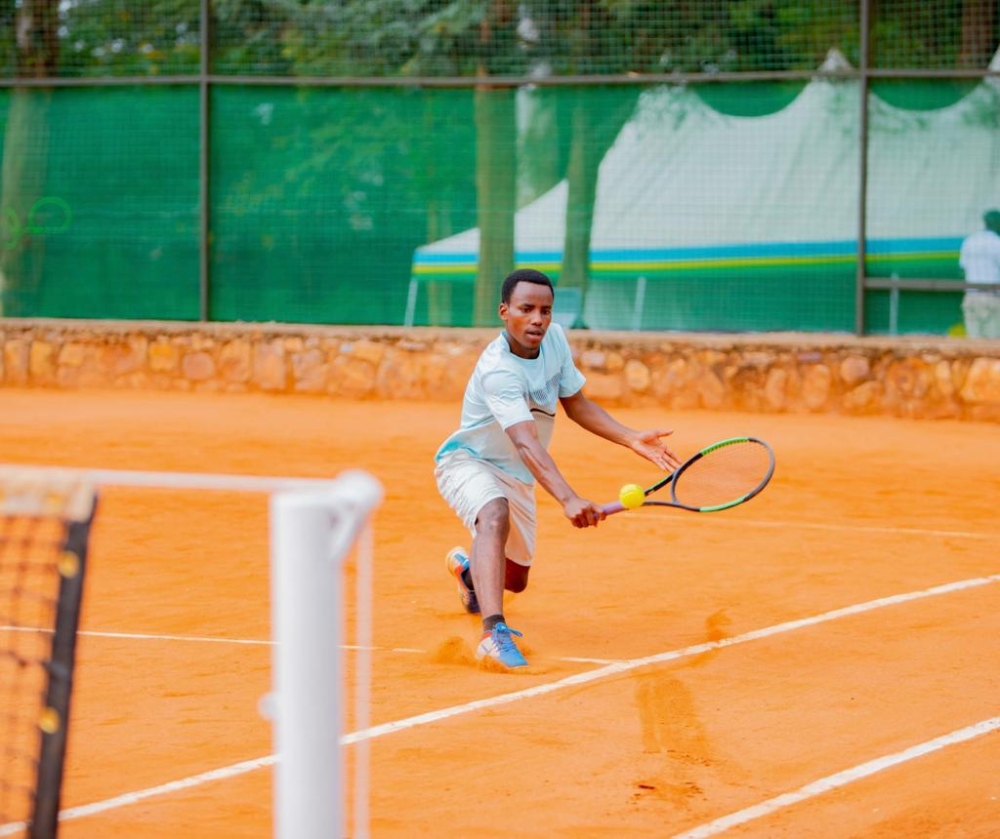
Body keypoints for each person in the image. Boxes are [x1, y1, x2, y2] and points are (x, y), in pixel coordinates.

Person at [434, 268, 681, 669]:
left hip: (518, 474)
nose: (537, 319)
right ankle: (493, 634)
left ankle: (469, 574)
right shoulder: (499, 371)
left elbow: (577, 404)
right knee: (492, 515)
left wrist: (630, 437)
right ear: (504, 311)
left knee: (516, 580)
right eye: (526, 309)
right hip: (469, 462)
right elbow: (526, 442)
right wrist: (568, 499)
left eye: (545, 311)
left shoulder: (555, 340)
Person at [959, 209, 1000, 339]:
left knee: (973, 342)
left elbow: (962, 269)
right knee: (992, 342)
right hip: (992, 296)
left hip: (971, 296)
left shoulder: (970, 241)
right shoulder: (997, 242)